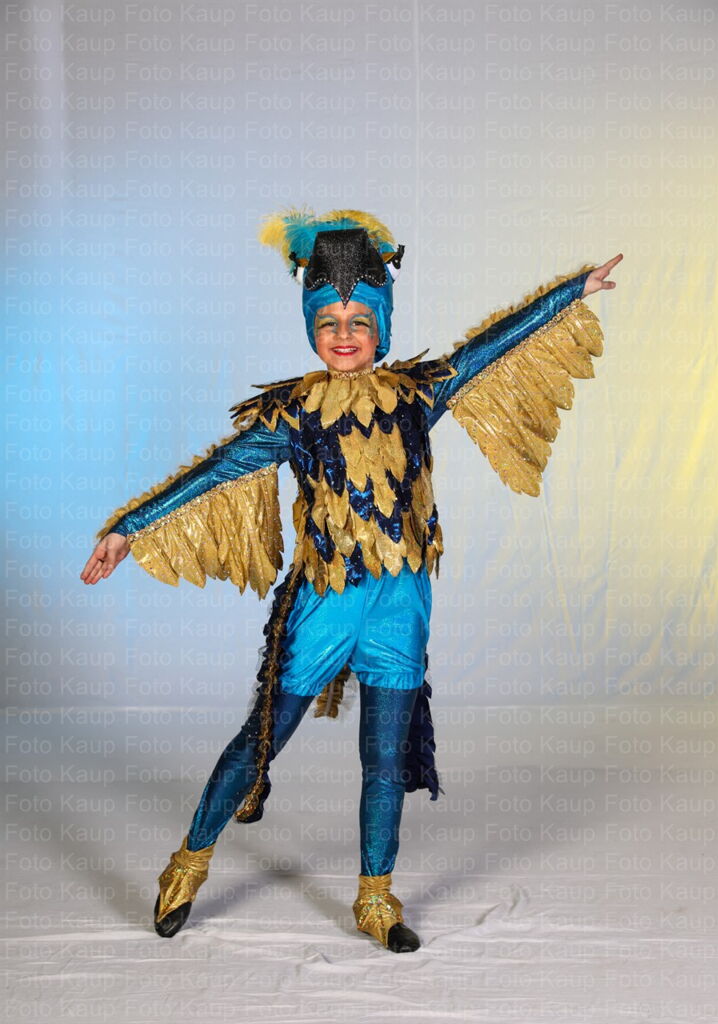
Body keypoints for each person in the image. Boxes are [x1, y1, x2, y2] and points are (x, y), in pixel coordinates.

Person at [81, 208, 621, 952]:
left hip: (401, 603)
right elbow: (215, 470)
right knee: (259, 742)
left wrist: (572, 292)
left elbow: (488, 349)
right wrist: (128, 528)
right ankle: (189, 861)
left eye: (359, 320)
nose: (343, 334)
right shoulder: (293, 414)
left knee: (385, 761)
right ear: (312, 329)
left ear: (381, 327)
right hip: (325, 604)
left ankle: (375, 898)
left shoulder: (417, 395)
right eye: (328, 321)